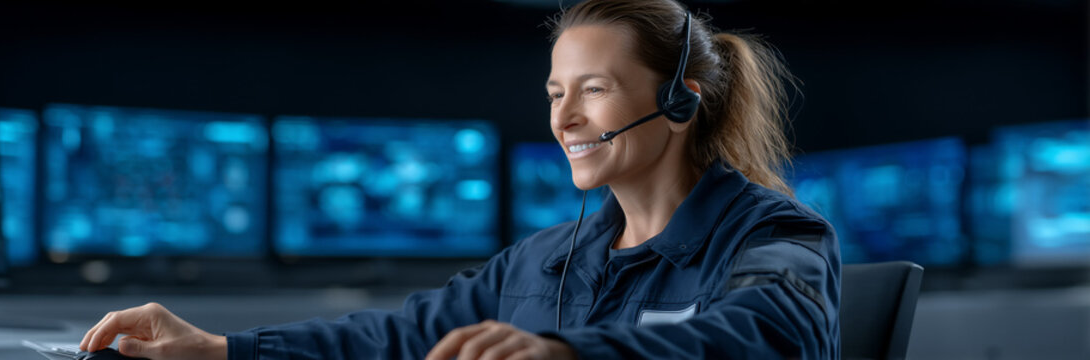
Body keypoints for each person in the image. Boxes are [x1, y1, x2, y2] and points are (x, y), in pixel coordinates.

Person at [79, 0, 841, 358]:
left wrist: (565, 356)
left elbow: (767, 338)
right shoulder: (545, 261)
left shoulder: (776, 236)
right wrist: (219, 350)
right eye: (555, 93)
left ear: (679, 103)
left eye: (594, 89)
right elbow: (398, 337)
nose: (565, 118)